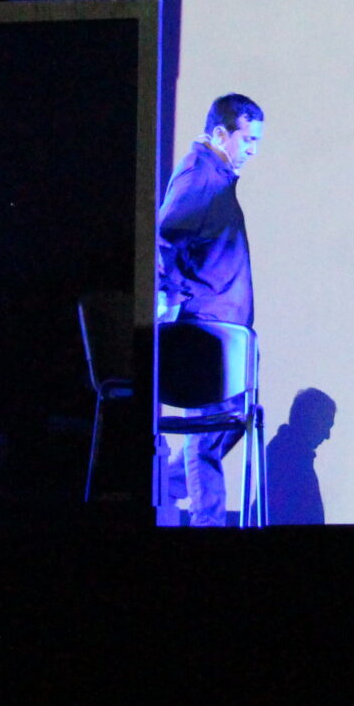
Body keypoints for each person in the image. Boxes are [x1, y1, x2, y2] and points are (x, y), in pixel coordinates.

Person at [156, 92, 264, 527]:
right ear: (221, 134)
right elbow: (165, 238)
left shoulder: (216, 178)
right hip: (206, 331)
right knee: (205, 440)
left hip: (228, 329)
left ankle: (166, 482)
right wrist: (171, 298)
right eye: (248, 139)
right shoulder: (199, 176)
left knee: (230, 423)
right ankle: (208, 529)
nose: (253, 150)